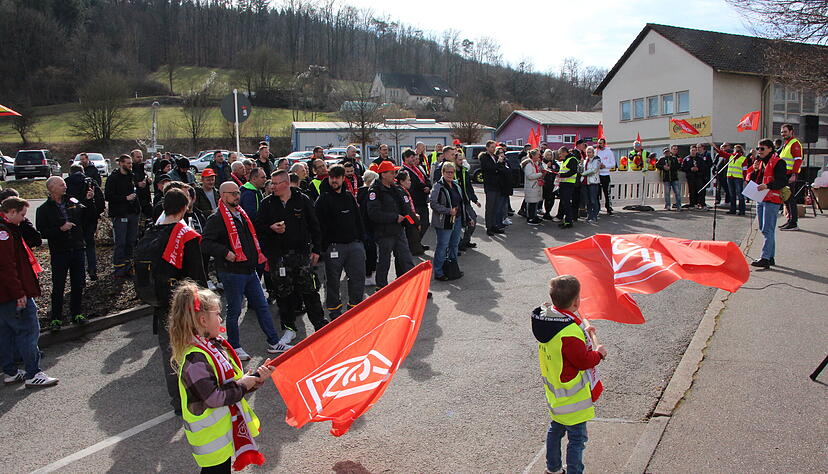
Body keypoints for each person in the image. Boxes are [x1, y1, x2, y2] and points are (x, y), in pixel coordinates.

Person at [167, 282, 273, 473]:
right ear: (202, 320)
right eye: (217, 314)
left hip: (222, 434)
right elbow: (214, 397)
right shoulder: (195, 359)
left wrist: (254, 379)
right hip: (210, 439)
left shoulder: (212, 346)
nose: (221, 318)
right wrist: (242, 385)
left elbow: (230, 382)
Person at [202, 181, 291, 360]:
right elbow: (205, 243)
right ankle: (234, 347)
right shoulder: (217, 218)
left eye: (238, 193)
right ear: (223, 195)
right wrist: (226, 253)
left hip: (249, 270)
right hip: (232, 272)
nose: (237, 196)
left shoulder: (241, 214)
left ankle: (274, 342)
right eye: (233, 193)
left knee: (262, 306)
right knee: (234, 310)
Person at [533, 275, 606, 474]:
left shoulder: (550, 319)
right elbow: (582, 360)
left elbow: (565, 341)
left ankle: (553, 468)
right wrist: (598, 354)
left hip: (556, 393)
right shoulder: (569, 332)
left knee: (555, 430)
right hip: (572, 397)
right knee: (577, 439)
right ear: (576, 302)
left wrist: (584, 329)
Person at [149, 187, 208, 415]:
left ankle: (178, 403)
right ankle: (195, 396)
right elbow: (197, 276)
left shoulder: (152, 231)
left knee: (170, 354)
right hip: (185, 304)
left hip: (161, 303)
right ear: (185, 208)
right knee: (193, 352)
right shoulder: (186, 235)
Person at [256, 170, 327, 342]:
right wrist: (271, 228)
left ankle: (320, 325)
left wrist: (317, 250)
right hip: (278, 257)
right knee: (283, 294)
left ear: (286, 183)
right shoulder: (267, 203)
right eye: (271, 183)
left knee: (310, 291)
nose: (272, 187)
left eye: (275, 183)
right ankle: (289, 328)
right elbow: (258, 227)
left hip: (302, 255)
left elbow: (315, 226)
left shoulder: (302, 200)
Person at [0, 197, 59, 388]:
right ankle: (33, 373)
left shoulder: (7, 230)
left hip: (5, 294)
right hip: (12, 293)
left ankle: (10, 371)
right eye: (22, 215)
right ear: (11, 212)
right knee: (28, 330)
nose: (24, 219)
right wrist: (19, 293)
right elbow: (8, 267)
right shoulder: (5, 233)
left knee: (7, 332)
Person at [315, 164, 366, 319]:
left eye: (337, 177)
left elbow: (358, 219)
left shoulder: (349, 196)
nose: (334, 180)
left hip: (354, 245)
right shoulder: (322, 199)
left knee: (357, 278)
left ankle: (355, 307)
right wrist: (321, 248)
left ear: (344, 179)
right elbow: (317, 226)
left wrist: (362, 240)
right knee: (332, 282)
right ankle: (334, 311)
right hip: (333, 248)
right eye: (332, 177)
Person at [37, 176, 88, 330]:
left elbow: (87, 216)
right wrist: (60, 229)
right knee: (58, 285)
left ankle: (77, 314)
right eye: (61, 185)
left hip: (77, 249)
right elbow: (42, 232)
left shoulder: (72, 202)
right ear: (52, 188)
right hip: (60, 252)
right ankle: (56, 318)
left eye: (64, 184)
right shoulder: (44, 209)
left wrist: (90, 201)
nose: (65, 187)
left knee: (78, 284)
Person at [367, 161, 415, 288]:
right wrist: (394, 217)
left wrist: (411, 219)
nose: (395, 175)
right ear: (383, 175)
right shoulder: (375, 191)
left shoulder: (395, 188)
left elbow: (404, 206)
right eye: (392, 172)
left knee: (406, 260)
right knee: (384, 262)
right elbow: (373, 213)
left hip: (398, 231)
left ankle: (414, 287)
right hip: (384, 233)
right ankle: (381, 288)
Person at [748, 139, 787, 268]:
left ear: (770, 149)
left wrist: (767, 186)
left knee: (768, 229)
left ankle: (765, 258)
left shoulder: (778, 162)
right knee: (764, 229)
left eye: (762, 149)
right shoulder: (759, 163)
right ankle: (770, 257)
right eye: (758, 149)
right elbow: (754, 180)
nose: (759, 151)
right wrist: (754, 171)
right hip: (761, 198)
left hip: (772, 199)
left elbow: (782, 181)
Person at [105, 154, 141, 277]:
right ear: (120, 163)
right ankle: (119, 268)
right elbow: (108, 196)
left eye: (131, 163)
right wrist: (125, 198)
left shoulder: (132, 177)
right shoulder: (113, 178)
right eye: (127, 163)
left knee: (131, 241)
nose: (130, 165)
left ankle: (128, 266)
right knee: (121, 242)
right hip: (120, 214)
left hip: (133, 213)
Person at [66, 164, 103, 280]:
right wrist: (96, 214)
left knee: (77, 247)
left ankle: (80, 275)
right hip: (90, 218)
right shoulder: (90, 182)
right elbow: (100, 200)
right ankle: (92, 269)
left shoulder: (66, 184)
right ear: (83, 171)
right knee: (90, 244)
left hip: (74, 220)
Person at [430, 162, 464, 281]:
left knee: (454, 245)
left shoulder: (455, 185)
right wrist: (447, 211)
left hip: (457, 219)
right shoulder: (438, 186)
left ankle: (452, 268)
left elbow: (461, 202)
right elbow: (433, 203)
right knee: (442, 246)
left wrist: (467, 217)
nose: (450, 174)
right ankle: (438, 272)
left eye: (452, 172)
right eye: (447, 172)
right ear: (442, 172)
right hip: (444, 221)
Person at [402, 148, 432, 241]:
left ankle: (417, 242)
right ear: (406, 158)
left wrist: (428, 187)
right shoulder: (404, 170)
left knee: (425, 223)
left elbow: (426, 179)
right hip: (414, 201)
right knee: (415, 225)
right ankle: (414, 245)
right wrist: (424, 188)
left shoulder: (417, 168)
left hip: (422, 200)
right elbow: (413, 184)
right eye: (412, 158)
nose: (414, 160)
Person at [779, 123, 803, 231]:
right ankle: (789, 221)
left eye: (785, 131)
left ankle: (793, 222)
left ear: (791, 131)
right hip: (785, 175)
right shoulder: (786, 144)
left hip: (790, 175)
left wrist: (794, 174)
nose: (783, 134)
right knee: (786, 199)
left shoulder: (794, 143)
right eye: (782, 132)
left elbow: (798, 160)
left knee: (790, 198)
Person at [711, 142, 748, 215]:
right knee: (732, 194)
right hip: (730, 177)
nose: (736, 152)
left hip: (738, 178)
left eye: (738, 151)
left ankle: (742, 210)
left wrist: (745, 178)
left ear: (741, 151)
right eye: (735, 150)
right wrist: (715, 147)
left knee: (740, 194)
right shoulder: (731, 156)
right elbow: (721, 153)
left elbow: (744, 170)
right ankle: (732, 209)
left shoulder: (743, 159)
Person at [455, 151, 481, 250]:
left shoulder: (464, 172)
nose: (462, 161)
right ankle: (458, 243)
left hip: (466, 202)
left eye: (462, 159)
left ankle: (465, 241)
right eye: (459, 159)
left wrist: (475, 200)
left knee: (473, 220)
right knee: (457, 226)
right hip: (456, 204)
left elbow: (469, 188)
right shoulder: (451, 172)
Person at [358, 170, 379, 287]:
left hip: (364, 227)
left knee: (369, 252)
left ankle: (369, 275)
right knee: (371, 253)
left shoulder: (359, 193)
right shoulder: (369, 194)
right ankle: (369, 275)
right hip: (369, 227)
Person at [480, 140, 505, 236]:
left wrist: (500, 163)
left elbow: (499, 169)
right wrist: (498, 164)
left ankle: (494, 225)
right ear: (487, 148)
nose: (494, 149)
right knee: (490, 207)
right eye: (492, 147)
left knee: (496, 207)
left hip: (497, 185)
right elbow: (491, 169)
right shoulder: (484, 157)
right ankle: (489, 227)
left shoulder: (495, 156)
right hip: (490, 186)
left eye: (494, 147)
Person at [557, 146, 579, 228]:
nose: (559, 156)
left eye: (560, 153)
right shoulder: (564, 160)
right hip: (563, 183)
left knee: (567, 203)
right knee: (564, 203)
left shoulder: (572, 159)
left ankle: (569, 222)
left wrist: (562, 175)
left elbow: (573, 171)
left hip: (569, 184)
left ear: (564, 152)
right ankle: (566, 220)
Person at [521, 149, 544, 225]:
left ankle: (534, 216)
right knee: (531, 203)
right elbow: (529, 176)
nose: (539, 156)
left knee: (535, 202)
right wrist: (540, 174)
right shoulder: (529, 164)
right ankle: (530, 218)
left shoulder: (535, 163)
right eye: (538, 154)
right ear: (533, 155)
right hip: (531, 186)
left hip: (535, 186)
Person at [657, 146, 682, 211]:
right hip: (666, 179)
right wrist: (663, 167)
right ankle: (667, 205)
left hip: (674, 178)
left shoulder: (674, 158)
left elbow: (678, 166)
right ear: (663, 153)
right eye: (665, 152)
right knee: (667, 193)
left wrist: (670, 168)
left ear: (669, 152)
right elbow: (657, 165)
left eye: (667, 152)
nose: (667, 153)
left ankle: (679, 205)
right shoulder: (661, 159)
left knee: (677, 192)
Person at [682, 145, 707, 210]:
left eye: (695, 150)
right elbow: (683, 168)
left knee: (700, 191)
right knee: (692, 191)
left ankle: (701, 204)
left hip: (698, 177)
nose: (693, 152)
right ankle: (693, 204)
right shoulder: (686, 159)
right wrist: (690, 169)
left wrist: (698, 169)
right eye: (692, 150)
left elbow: (704, 167)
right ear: (690, 151)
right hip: (690, 177)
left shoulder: (700, 159)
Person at [594, 139, 615, 215]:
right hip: (597, 175)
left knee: (607, 192)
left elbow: (613, 164)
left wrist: (605, 166)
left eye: (601, 143)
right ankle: (597, 208)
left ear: (604, 144)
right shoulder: (596, 151)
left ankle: (608, 208)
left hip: (605, 174)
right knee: (597, 192)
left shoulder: (609, 152)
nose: (599, 145)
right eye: (598, 143)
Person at [582, 146, 602, 223]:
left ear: (593, 153)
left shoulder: (597, 160)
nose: (588, 153)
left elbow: (594, 170)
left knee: (593, 200)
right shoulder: (585, 160)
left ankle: (594, 217)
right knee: (588, 201)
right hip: (585, 182)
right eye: (587, 152)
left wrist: (584, 173)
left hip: (593, 182)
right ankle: (589, 216)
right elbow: (583, 168)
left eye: (590, 152)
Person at [131, 149, 153, 220]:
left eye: (141, 157)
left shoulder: (143, 168)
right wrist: (137, 184)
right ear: (132, 158)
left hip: (146, 198)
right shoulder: (130, 169)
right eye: (138, 157)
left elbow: (146, 177)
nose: (140, 159)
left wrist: (149, 181)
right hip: (135, 199)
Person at [541, 149, 559, 220]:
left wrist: (554, 170)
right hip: (545, 184)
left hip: (553, 183)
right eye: (547, 155)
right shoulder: (543, 162)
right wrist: (547, 167)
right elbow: (542, 171)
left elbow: (558, 169)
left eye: (550, 155)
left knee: (551, 199)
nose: (549, 156)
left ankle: (548, 211)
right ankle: (545, 212)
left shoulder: (554, 162)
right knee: (546, 198)